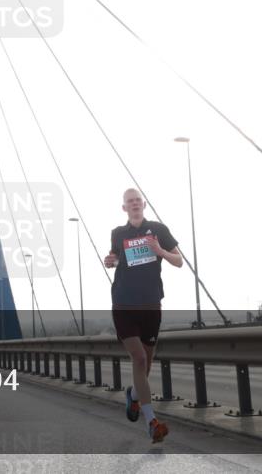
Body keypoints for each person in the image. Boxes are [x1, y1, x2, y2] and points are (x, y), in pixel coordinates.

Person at [103, 188, 183, 444]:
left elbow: (179, 261)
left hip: (151, 304)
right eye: (130, 202)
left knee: (146, 364)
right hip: (124, 303)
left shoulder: (159, 229)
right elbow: (117, 260)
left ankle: (134, 397)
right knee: (138, 358)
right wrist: (110, 261)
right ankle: (152, 422)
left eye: (137, 200)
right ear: (124, 208)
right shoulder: (118, 233)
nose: (134, 204)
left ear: (143, 204)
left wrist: (159, 250)